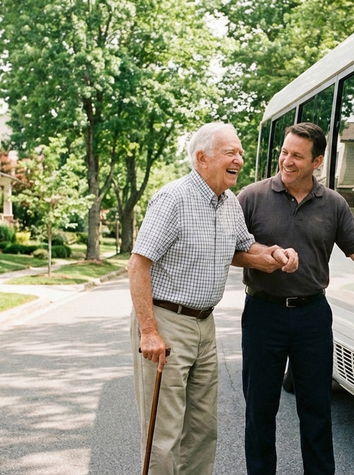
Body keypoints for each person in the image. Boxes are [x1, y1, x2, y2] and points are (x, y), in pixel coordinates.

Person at [233, 122, 354, 475]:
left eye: (297, 156)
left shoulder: (333, 203)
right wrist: (264, 257)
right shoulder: (252, 196)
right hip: (263, 314)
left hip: (312, 316)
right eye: (284, 152)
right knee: (259, 409)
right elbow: (231, 250)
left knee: (316, 408)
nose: (287, 161)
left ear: (317, 161)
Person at [128, 122, 298, 475]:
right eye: (230, 152)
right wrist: (148, 331)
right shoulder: (173, 199)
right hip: (167, 324)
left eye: (240, 152)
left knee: (203, 430)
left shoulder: (229, 202)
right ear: (202, 158)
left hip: (205, 326)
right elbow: (138, 265)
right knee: (164, 434)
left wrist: (274, 255)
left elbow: (244, 248)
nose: (240, 158)